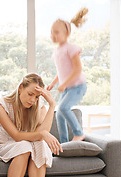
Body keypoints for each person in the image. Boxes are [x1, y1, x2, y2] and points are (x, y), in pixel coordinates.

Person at [0, 73, 62, 177]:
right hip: (5, 144)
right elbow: (17, 136)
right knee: (24, 145)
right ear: (20, 88)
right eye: (30, 94)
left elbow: (42, 135)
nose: (33, 100)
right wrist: (42, 133)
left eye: (37, 97)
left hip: (29, 144)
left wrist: (52, 106)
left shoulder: (39, 108)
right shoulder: (1, 104)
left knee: (41, 145)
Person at [47, 7, 89, 143]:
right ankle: (64, 143)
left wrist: (64, 83)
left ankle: (79, 133)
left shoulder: (71, 49)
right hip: (67, 88)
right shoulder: (57, 51)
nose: (53, 35)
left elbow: (77, 69)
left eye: (57, 32)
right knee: (59, 114)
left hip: (78, 86)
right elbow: (61, 71)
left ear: (66, 33)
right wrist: (53, 83)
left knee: (63, 108)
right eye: (52, 32)